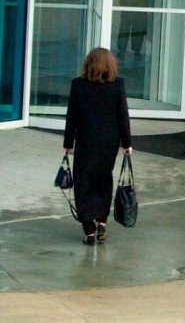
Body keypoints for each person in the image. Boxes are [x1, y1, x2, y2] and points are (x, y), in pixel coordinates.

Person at [63, 48, 133, 245]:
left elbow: (72, 117)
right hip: (109, 142)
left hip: (86, 141)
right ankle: (102, 221)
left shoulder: (78, 85)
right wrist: (127, 143)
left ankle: (89, 229)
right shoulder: (118, 85)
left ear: (88, 64)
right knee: (103, 180)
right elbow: (123, 116)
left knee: (83, 182)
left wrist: (68, 143)